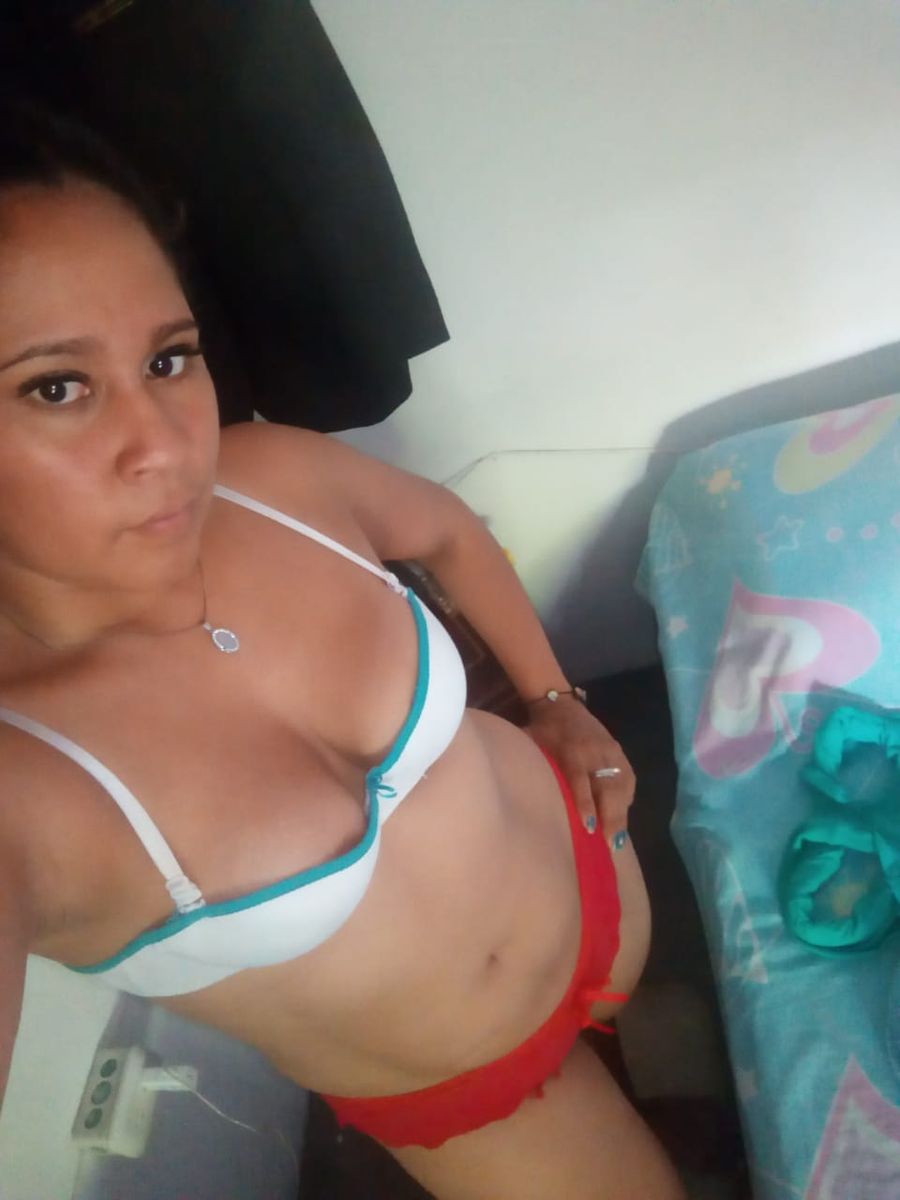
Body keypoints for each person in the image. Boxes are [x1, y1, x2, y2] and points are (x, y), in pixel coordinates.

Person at [0, 98, 684, 1199]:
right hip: (474, 1087)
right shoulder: (21, 788)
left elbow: (448, 533)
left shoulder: (269, 474)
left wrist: (557, 700)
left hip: (593, 864)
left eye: (169, 359)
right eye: (56, 386)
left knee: (680, 1047)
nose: (164, 446)